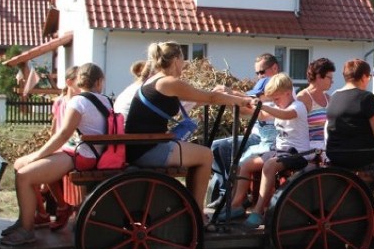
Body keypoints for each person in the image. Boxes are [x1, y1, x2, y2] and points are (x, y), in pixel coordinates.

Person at [125, 42, 257, 211]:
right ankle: (196, 212)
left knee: (199, 154)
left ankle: (189, 206)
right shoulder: (169, 82)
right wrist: (241, 101)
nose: (185, 63)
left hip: (142, 146)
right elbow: (210, 98)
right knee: (205, 155)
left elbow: (198, 99)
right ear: (175, 60)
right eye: (182, 58)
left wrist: (224, 97)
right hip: (149, 149)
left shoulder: (155, 81)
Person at [1, 63, 110, 246]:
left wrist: (38, 155)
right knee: (21, 163)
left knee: (24, 176)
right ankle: (24, 220)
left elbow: (62, 134)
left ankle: (27, 230)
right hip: (86, 152)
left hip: (82, 155)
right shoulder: (105, 100)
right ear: (99, 82)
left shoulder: (78, 101)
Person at [223, 73, 310, 227]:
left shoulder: (298, 106)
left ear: (288, 93)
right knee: (246, 164)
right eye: (273, 100)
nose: (275, 102)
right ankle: (236, 205)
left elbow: (285, 115)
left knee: (269, 165)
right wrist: (242, 103)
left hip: (298, 153)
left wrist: (263, 105)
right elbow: (261, 116)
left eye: (277, 98)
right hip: (280, 151)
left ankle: (258, 211)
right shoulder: (278, 106)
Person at [325, 59, 374, 203]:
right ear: (364, 76)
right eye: (369, 76)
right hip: (361, 156)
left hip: (336, 154)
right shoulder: (366, 98)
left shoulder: (334, 96)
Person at [209, 53, 280, 205]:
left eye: (262, 72)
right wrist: (228, 93)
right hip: (258, 136)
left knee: (223, 148)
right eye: (257, 73)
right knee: (215, 146)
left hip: (265, 139)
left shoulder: (279, 90)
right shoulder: (266, 86)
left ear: (274, 68)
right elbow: (249, 99)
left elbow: (253, 109)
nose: (259, 76)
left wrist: (226, 98)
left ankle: (230, 195)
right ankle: (226, 191)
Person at [39, 64, 80, 231]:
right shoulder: (60, 102)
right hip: (61, 146)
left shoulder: (80, 103)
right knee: (41, 171)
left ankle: (62, 207)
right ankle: (47, 210)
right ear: (70, 82)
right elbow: (55, 129)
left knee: (45, 173)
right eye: (80, 81)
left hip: (73, 148)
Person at [296, 58, 335, 152]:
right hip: (309, 151)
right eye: (329, 78)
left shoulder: (329, 98)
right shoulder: (302, 98)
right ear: (318, 76)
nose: (332, 81)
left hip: (328, 148)